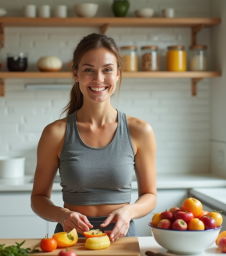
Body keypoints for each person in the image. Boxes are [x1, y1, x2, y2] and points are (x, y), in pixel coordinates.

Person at [31, 33, 156, 242]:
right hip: (70, 239)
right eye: (89, 70)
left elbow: (150, 195)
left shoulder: (140, 131)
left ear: (117, 74)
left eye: (107, 70)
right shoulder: (55, 133)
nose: (98, 79)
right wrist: (62, 215)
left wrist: (130, 212)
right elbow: (38, 198)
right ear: (76, 74)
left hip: (122, 237)